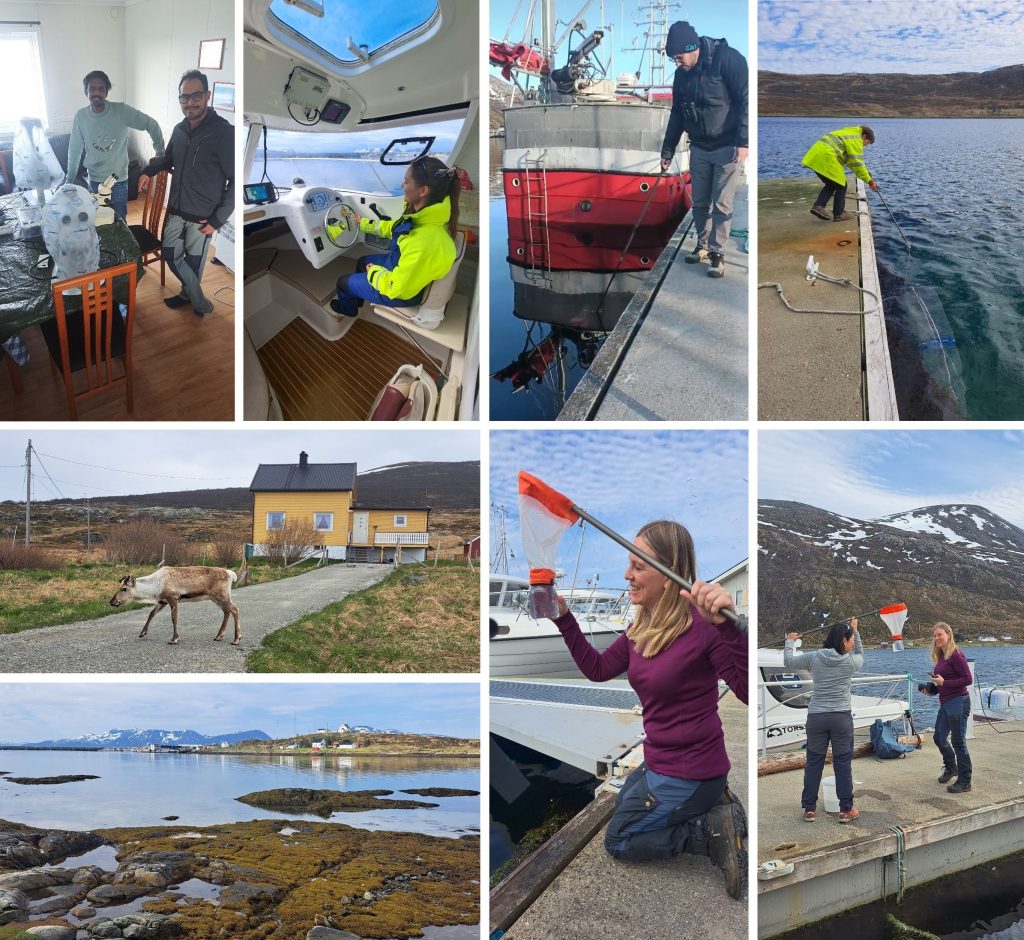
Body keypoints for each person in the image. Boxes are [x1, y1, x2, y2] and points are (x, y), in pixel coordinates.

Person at [546, 520, 748, 899]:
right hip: (661, 760)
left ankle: (712, 832)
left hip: (692, 771)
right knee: (621, 804)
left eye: (638, 566)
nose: (627, 574)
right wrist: (563, 618)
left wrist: (730, 630)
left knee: (620, 840)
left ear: (670, 574)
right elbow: (598, 669)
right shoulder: (643, 626)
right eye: (629, 564)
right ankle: (711, 804)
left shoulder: (706, 629)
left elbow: (747, 692)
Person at [659, 21, 748, 280]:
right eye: (673, 59)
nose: (677, 63)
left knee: (722, 203)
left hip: (727, 147)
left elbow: (745, 99)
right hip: (699, 146)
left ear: (691, 47)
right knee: (699, 202)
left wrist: (744, 142)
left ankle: (717, 254)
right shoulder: (681, 75)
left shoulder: (729, 60)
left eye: (678, 57)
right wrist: (667, 152)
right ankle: (702, 244)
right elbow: (677, 114)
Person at [142, 70, 233, 316]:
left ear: (207, 95)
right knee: (170, 254)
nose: (190, 102)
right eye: (184, 97)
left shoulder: (224, 133)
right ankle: (201, 301)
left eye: (196, 96)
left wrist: (217, 220)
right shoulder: (180, 129)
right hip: (177, 208)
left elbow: (235, 182)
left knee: (193, 262)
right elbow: (169, 158)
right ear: (179, 99)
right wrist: (148, 171)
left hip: (203, 216)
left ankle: (187, 295)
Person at [330, 155, 460, 318]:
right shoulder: (421, 216)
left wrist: (374, 273)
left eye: (406, 182)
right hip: (399, 266)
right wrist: (363, 223)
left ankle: (348, 309)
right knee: (362, 261)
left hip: (400, 291)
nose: (402, 185)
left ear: (423, 191)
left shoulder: (425, 241)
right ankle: (357, 299)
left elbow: (398, 288)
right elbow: (394, 227)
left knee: (342, 282)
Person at [784, 618, 863, 822]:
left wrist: (790, 642)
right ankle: (846, 809)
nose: (853, 643)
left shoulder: (814, 657)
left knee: (814, 762)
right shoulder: (850, 662)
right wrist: (857, 630)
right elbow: (860, 654)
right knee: (843, 763)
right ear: (843, 641)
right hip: (841, 718)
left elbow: (789, 662)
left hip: (817, 717)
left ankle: (809, 808)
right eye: (851, 639)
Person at [66, 70, 165, 220]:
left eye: (101, 88)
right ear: (86, 91)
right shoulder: (81, 116)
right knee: (100, 223)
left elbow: (152, 125)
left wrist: (160, 155)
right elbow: (75, 149)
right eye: (92, 88)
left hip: (118, 180)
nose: (96, 93)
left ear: (106, 91)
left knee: (120, 222)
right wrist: (69, 180)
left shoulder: (121, 111)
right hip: (95, 181)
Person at [924, 622, 973, 793]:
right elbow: (944, 682)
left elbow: (968, 679)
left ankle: (965, 781)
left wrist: (944, 682)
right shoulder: (942, 656)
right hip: (945, 702)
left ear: (949, 635)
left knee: (958, 742)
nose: (937, 638)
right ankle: (951, 767)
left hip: (958, 702)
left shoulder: (956, 655)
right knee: (938, 737)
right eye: (935, 635)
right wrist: (933, 689)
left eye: (940, 635)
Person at [801, 125, 878, 222]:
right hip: (827, 157)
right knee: (841, 185)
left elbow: (850, 162)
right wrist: (870, 181)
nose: (865, 145)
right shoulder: (856, 139)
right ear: (864, 136)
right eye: (867, 143)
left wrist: (867, 174)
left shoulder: (848, 133)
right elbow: (857, 163)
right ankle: (839, 214)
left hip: (815, 157)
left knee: (831, 184)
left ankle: (819, 206)